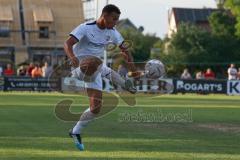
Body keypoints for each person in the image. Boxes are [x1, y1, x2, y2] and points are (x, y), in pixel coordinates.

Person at [64, 4, 138, 151]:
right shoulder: (85, 27)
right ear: (105, 16)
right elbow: (68, 43)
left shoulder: (113, 32)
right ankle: (123, 84)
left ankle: (75, 131)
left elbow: (126, 50)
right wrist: (72, 57)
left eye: (117, 19)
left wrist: (134, 69)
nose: (116, 22)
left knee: (96, 108)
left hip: (96, 69)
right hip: (80, 67)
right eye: (114, 18)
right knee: (95, 61)